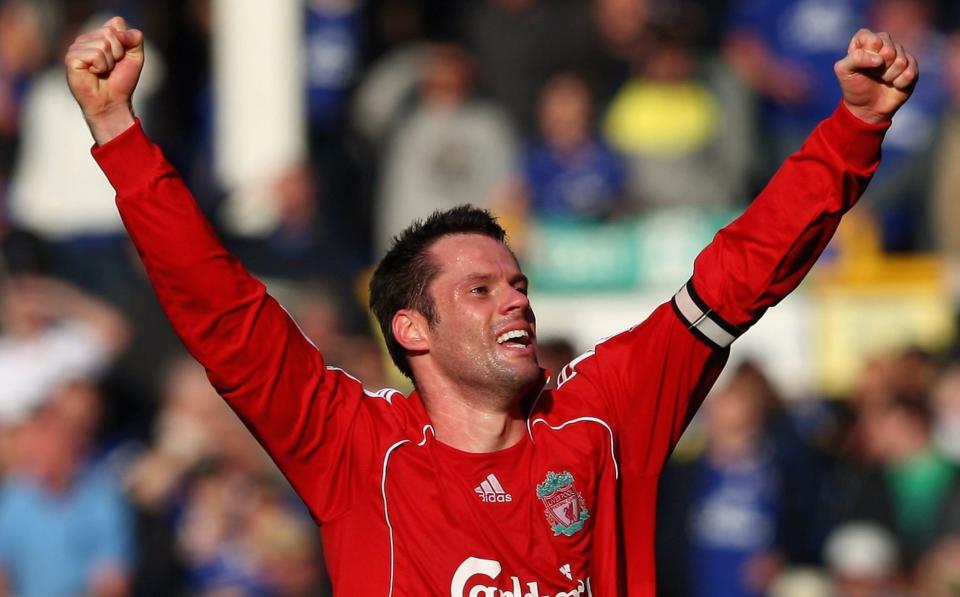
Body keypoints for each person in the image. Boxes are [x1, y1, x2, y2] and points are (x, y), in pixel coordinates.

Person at [64, 16, 918, 595]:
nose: (516, 300)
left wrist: (852, 130)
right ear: (411, 330)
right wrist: (118, 135)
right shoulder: (355, 447)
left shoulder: (604, 415)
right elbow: (220, 306)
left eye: (517, 284)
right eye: (479, 289)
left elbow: (742, 270)